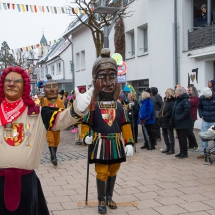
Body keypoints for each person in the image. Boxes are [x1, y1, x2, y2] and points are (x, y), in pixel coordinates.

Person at [0, 66, 93, 214]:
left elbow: (61, 119)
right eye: (8, 80)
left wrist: (77, 109)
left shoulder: (36, 113)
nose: (12, 83)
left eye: (17, 81)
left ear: (24, 86)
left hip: (26, 183)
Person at [81, 48, 134, 214]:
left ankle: (109, 196)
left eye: (112, 77)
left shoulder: (119, 106)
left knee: (113, 171)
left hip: (116, 143)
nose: (108, 82)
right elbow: (85, 125)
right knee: (102, 172)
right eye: (102, 77)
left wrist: (129, 142)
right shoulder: (92, 106)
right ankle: (101, 200)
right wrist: (85, 137)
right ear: (94, 80)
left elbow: (125, 125)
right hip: (99, 143)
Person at [40, 75, 65, 166]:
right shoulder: (44, 100)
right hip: (48, 125)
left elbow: (63, 111)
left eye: (54, 86)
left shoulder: (59, 101)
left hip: (57, 124)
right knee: (50, 139)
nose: (51, 89)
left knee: (56, 140)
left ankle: (54, 155)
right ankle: (53, 156)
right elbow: (40, 110)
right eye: (48, 87)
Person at [173, 87, 192, 159]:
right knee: (180, 138)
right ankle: (181, 152)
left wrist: (179, 118)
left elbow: (186, 112)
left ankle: (185, 153)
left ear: (179, 93)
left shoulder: (185, 100)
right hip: (178, 123)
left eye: (176, 93)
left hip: (184, 123)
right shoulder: (178, 100)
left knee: (183, 138)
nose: (175, 94)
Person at [197, 87, 215, 159]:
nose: (209, 97)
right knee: (204, 137)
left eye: (210, 96)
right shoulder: (201, 98)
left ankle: (213, 151)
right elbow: (199, 107)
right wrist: (201, 115)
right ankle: (203, 152)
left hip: (214, 121)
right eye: (207, 96)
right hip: (205, 120)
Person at [160, 88, 175, 155]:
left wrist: (165, 115)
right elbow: (162, 108)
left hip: (168, 120)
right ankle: (167, 147)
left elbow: (171, 110)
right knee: (164, 134)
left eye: (166, 92)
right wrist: (160, 114)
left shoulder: (172, 101)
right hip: (163, 120)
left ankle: (172, 149)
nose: (165, 93)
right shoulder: (165, 101)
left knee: (170, 135)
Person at [187, 85, 199, 151]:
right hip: (188, 116)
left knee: (190, 131)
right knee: (188, 131)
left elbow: (190, 102)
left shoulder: (196, 98)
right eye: (188, 90)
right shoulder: (190, 97)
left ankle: (195, 145)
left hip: (192, 116)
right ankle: (191, 145)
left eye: (190, 90)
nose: (188, 91)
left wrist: (187, 99)